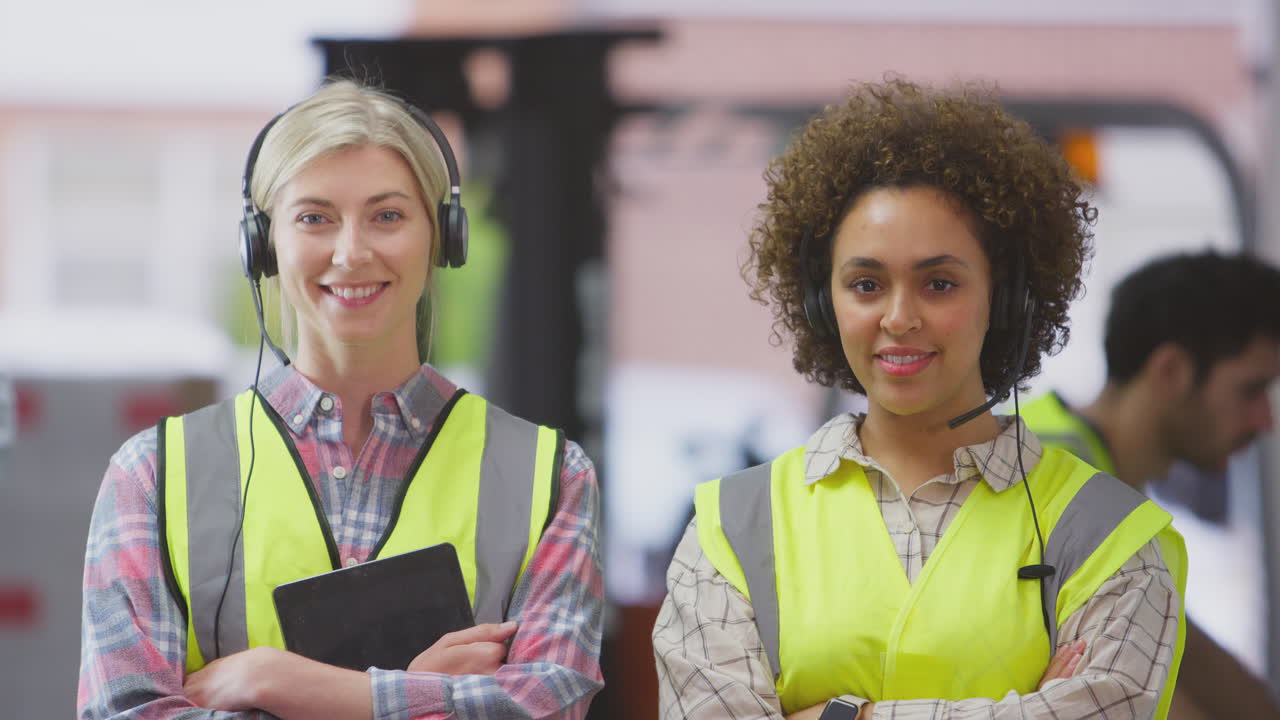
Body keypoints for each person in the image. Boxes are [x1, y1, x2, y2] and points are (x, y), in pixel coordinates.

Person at [652, 78, 1187, 720]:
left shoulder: (1111, 538)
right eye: (867, 283)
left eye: (938, 283)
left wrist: (840, 715)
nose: (899, 317)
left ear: (1008, 297)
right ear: (824, 302)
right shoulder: (731, 529)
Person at [78, 79, 604, 719]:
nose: (352, 252)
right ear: (265, 244)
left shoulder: (551, 479)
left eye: (387, 216)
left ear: (442, 236)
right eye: (314, 218)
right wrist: (426, 695)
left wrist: (276, 682)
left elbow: (543, 710)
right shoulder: (152, 477)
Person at [1021, 250, 1280, 719]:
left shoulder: (1105, 480)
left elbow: (1185, 651)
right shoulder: (1060, 483)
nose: (1266, 420)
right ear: (1172, 371)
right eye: (1251, 389)